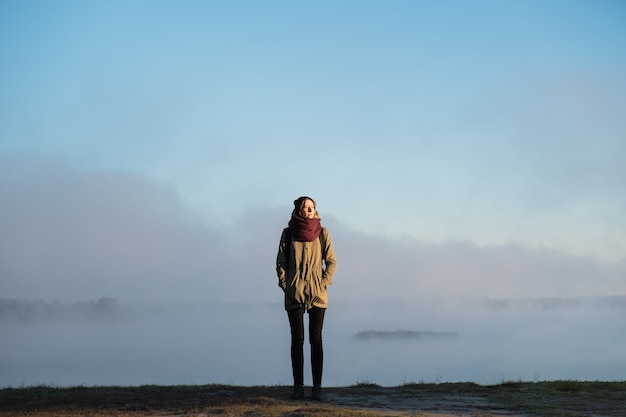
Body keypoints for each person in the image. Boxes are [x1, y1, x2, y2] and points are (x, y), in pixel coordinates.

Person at [276, 196, 337, 401]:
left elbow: (331, 262)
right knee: (297, 340)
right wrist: (287, 285)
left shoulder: (322, 233)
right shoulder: (288, 234)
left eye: (311, 207)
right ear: (298, 210)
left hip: (317, 294)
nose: (308, 210)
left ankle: (317, 388)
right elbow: (281, 263)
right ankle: (298, 387)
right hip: (295, 293)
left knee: (316, 339)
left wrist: (323, 283)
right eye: (305, 207)